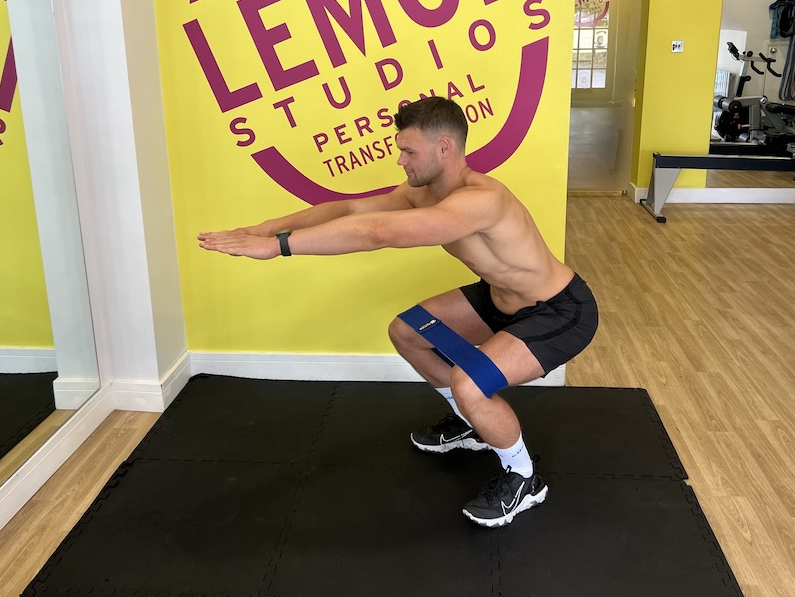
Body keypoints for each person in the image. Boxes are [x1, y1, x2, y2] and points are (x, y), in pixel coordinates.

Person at [198, 96, 598, 527]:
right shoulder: (422, 194)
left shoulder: (482, 200)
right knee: (408, 332)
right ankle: (470, 423)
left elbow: (376, 232)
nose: (400, 160)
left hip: (558, 310)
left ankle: (523, 477)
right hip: (499, 298)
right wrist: (267, 228)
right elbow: (351, 209)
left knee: (469, 380)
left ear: (444, 148)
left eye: (409, 151)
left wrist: (277, 248)